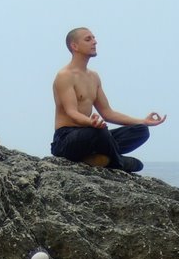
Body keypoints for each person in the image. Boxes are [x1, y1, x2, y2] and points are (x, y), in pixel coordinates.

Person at [51, 27, 166, 173]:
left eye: (94, 38)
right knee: (100, 132)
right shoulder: (65, 76)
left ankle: (96, 157)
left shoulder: (94, 77)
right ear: (74, 46)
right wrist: (91, 123)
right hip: (67, 139)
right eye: (88, 39)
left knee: (141, 131)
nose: (94, 42)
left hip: (93, 134)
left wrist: (143, 121)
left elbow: (107, 113)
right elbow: (71, 112)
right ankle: (117, 162)